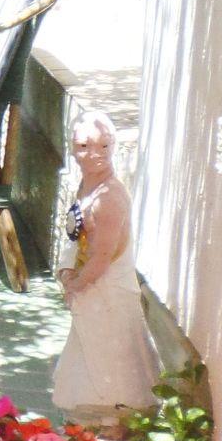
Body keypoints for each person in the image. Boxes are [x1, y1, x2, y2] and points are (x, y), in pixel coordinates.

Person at [51, 110, 158, 416]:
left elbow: (102, 256)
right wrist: (68, 270)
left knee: (110, 358)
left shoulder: (109, 198)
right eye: (84, 146)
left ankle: (114, 419)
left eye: (103, 146)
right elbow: (79, 235)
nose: (94, 154)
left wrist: (76, 284)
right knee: (89, 353)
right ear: (72, 147)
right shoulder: (88, 186)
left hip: (107, 289)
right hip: (90, 286)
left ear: (113, 147)